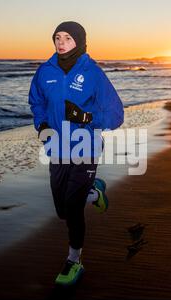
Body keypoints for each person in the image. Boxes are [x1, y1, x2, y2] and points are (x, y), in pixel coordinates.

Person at [29, 21, 124, 286]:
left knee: (72, 207)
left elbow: (116, 115)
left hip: (86, 147)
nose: (61, 43)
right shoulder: (44, 71)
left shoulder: (92, 73)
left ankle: (74, 260)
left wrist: (86, 116)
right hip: (56, 148)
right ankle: (93, 192)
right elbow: (36, 101)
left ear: (80, 42)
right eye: (57, 37)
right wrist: (42, 124)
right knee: (61, 209)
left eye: (68, 38)